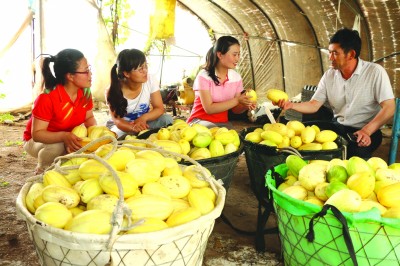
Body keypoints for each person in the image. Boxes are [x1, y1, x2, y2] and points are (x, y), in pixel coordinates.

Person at [276, 28, 395, 159]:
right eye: (329, 52)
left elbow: (389, 107)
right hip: (338, 127)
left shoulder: (375, 72)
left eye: (335, 53)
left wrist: (367, 131)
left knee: (352, 154)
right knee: (304, 136)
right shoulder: (329, 75)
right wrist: (290, 105)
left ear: (351, 54)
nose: (330, 57)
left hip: (366, 130)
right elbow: (314, 105)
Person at [23, 49, 97, 174]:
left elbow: (89, 118)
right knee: (58, 146)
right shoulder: (47, 98)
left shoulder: (85, 92)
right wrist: (64, 136)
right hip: (36, 142)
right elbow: (37, 134)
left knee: (84, 145)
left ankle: (60, 164)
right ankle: (42, 168)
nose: (90, 74)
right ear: (70, 76)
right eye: (85, 71)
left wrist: (96, 135)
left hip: (66, 136)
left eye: (89, 69)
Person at [186, 36, 256, 128]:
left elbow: (235, 110)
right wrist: (237, 100)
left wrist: (245, 105)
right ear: (220, 55)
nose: (237, 59)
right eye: (234, 55)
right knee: (212, 131)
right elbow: (209, 109)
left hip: (222, 124)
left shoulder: (236, 78)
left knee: (233, 138)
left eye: (239, 54)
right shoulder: (203, 76)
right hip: (199, 121)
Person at [105, 49, 173, 139]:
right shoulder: (112, 90)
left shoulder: (150, 80)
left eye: (146, 66)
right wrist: (133, 127)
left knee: (167, 119)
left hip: (144, 123)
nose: (145, 71)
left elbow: (159, 108)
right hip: (123, 127)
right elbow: (118, 121)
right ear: (126, 73)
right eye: (140, 69)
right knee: (114, 138)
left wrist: (143, 118)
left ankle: (142, 135)